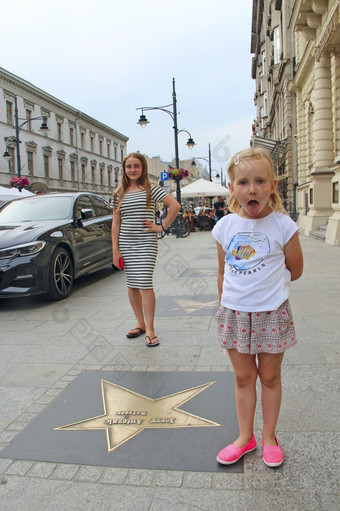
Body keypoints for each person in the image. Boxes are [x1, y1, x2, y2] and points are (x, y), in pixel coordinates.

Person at [212, 147, 303, 468]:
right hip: (235, 313)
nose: (252, 189)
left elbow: (296, 268)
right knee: (242, 378)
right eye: (244, 182)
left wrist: (268, 288)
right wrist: (228, 302)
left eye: (260, 181)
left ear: (273, 185)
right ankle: (244, 437)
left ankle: (268, 437)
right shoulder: (224, 227)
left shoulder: (283, 225)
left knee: (269, 376)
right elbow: (223, 271)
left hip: (271, 313)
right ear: (233, 187)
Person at [112, 152, 181, 347]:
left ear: (143, 168)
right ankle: (140, 323)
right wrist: (115, 250)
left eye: (136, 166)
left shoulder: (151, 189)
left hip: (145, 243)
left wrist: (161, 226)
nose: (132, 169)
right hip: (126, 242)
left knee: (144, 282)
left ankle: (150, 328)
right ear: (124, 169)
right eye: (129, 166)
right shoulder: (119, 192)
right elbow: (116, 223)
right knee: (132, 284)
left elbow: (174, 205)